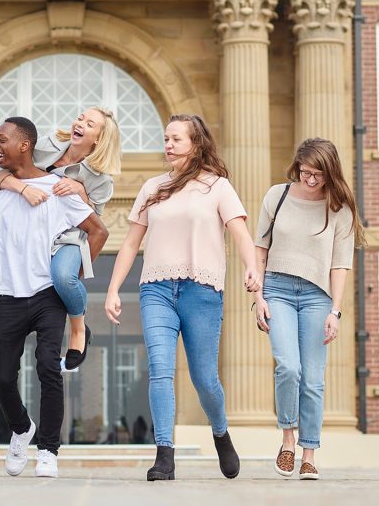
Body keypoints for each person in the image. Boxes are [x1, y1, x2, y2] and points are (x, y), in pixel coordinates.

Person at [105, 114, 260, 482]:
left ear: (196, 143)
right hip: (156, 288)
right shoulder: (152, 187)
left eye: (176, 138)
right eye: (166, 138)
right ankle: (165, 456)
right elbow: (130, 243)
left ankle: (220, 433)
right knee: (160, 369)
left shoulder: (217, 187)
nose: (168, 144)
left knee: (205, 379)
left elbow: (240, 233)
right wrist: (112, 289)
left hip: (201, 290)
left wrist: (252, 267)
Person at [0, 117, 108, 478]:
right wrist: (1, 258)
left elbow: (98, 231)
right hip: (9, 294)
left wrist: (71, 277)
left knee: (48, 368)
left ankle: (48, 450)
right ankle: (20, 429)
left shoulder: (59, 188)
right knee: (1, 378)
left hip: (48, 295)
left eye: (1, 140)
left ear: (24, 145)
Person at [0, 107, 121, 377]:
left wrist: (82, 192)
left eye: (90, 124)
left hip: (66, 236)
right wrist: (22, 187)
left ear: (99, 138)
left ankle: (77, 331)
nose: (80, 123)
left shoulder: (101, 179)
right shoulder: (49, 144)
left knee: (64, 277)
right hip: (22, 220)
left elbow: (93, 224)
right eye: (80, 118)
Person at [253, 138, 364, 481]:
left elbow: (340, 265)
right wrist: (258, 298)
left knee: (314, 379)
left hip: (318, 296)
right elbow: (259, 249)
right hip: (278, 289)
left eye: (318, 174)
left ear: (330, 173)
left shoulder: (339, 209)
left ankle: (309, 454)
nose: (311, 180)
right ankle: (288, 441)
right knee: (288, 367)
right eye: (305, 172)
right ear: (297, 167)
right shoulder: (277, 196)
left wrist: (336, 311)